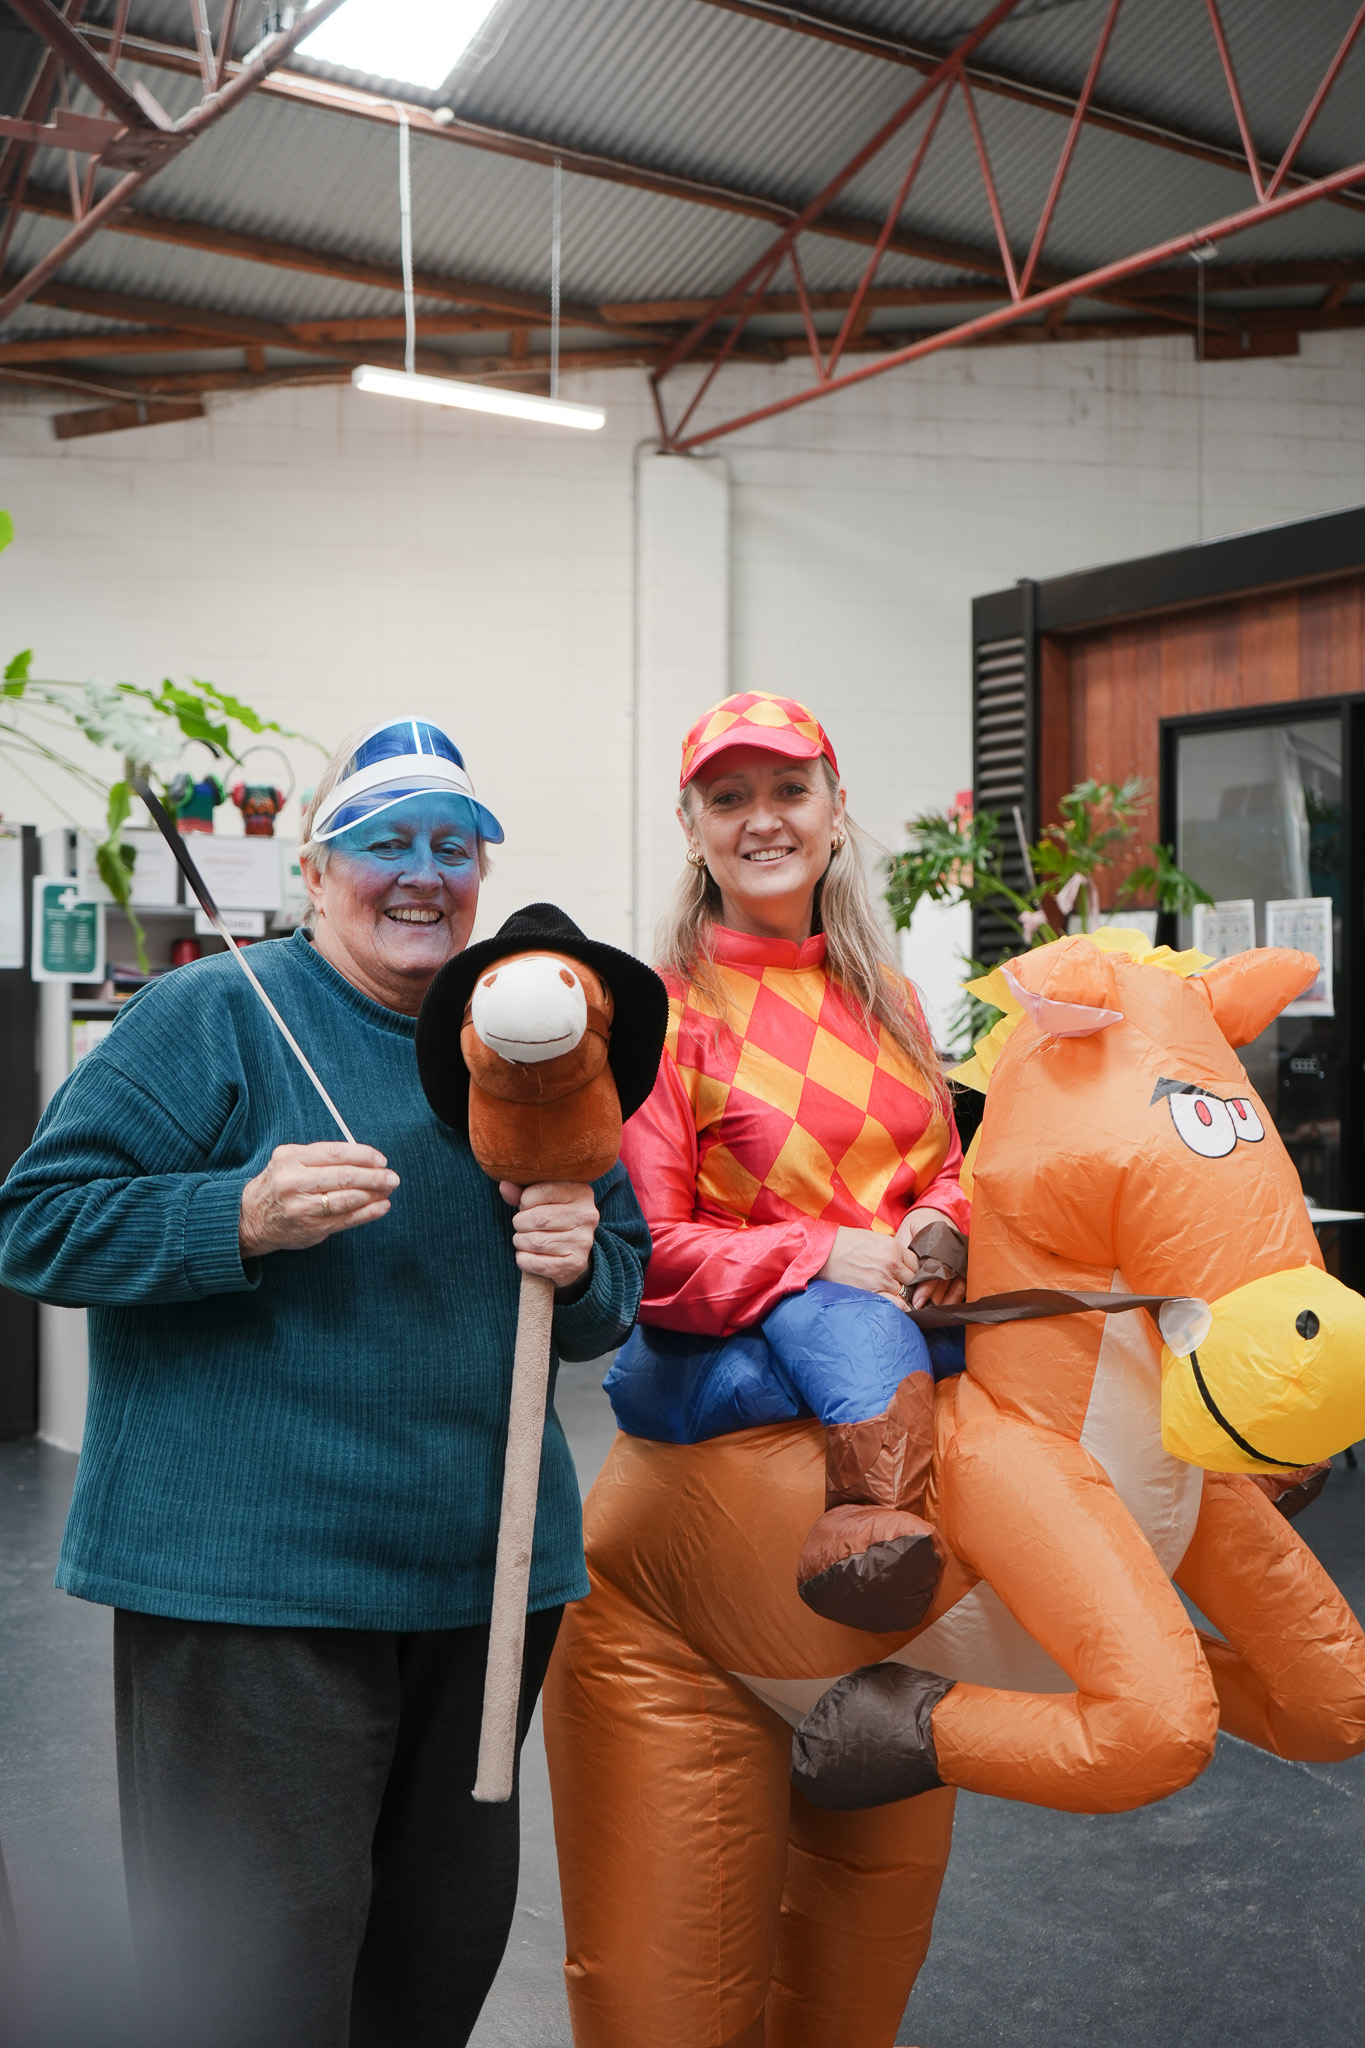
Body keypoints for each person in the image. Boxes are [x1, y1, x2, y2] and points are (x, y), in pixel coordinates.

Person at [0, 716, 650, 2048]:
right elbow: (35, 1224)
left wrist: (580, 1259)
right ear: (312, 871)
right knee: (253, 1981)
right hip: (251, 1588)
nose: (422, 873)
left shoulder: (534, 1026)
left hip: (482, 1579)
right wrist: (234, 1214)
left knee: (434, 1965)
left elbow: (607, 1303)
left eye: (451, 846)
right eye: (384, 843)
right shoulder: (212, 1017)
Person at [544, 691, 971, 2048]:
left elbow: (948, 1176)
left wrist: (932, 1230)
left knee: (859, 1976)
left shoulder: (890, 1001)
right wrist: (819, 1257)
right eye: (727, 798)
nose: (762, 819)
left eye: (786, 790)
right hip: (695, 1527)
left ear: (836, 811)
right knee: (671, 1991)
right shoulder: (657, 1019)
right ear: (691, 830)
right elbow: (645, 1259)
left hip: (895, 1532)